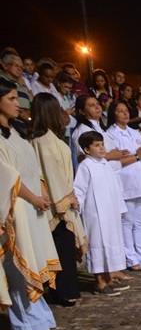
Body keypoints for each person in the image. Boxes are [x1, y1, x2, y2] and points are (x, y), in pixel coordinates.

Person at [0, 77, 60, 330]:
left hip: (33, 205)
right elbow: (6, 177)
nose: (18, 104)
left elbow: (32, 167)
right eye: (11, 99)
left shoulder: (16, 131)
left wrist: (41, 192)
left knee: (33, 258)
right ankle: (25, 319)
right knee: (18, 263)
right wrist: (33, 197)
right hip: (15, 207)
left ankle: (39, 313)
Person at [30, 94, 87, 307]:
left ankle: (64, 290)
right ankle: (63, 292)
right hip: (56, 203)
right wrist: (67, 197)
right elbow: (50, 174)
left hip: (64, 195)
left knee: (64, 247)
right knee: (61, 246)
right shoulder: (41, 141)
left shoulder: (51, 138)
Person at [74, 131, 127, 296]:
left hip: (110, 212)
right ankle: (99, 282)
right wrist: (77, 205)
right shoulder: (85, 166)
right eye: (97, 145)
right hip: (95, 214)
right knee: (97, 244)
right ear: (87, 150)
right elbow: (79, 189)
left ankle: (109, 278)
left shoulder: (105, 164)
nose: (102, 148)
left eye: (102, 144)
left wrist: (120, 208)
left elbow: (115, 188)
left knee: (110, 243)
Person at [106, 100, 141, 272]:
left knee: (139, 223)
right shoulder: (111, 134)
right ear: (113, 114)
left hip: (140, 181)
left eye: (126, 110)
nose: (125, 113)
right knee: (127, 224)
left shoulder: (134, 133)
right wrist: (138, 156)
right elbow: (116, 160)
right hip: (125, 181)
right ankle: (131, 259)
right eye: (120, 111)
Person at [0, 51, 32, 129]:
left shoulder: (23, 87)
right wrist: (20, 113)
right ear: (5, 66)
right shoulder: (2, 84)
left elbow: (32, 106)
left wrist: (29, 113)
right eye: (16, 66)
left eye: (21, 67)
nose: (20, 69)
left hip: (23, 130)